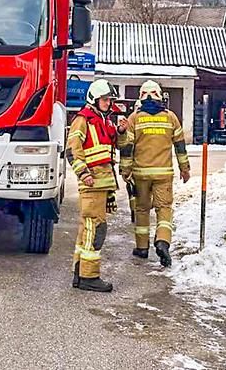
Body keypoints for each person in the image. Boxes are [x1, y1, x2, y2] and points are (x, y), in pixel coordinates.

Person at [119, 80, 190, 268]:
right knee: (164, 208)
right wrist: (185, 169)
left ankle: (142, 248)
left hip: (140, 174)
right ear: (160, 95)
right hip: (164, 174)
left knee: (142, 209)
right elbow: (180, 146)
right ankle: (162, 241)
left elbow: (127, 147)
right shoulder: (171, 118)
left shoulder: (134, 118)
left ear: (141, 97)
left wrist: (125, 171)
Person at [66, 79, 120, 293]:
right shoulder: (83, 120)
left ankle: (80, 273)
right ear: (94, 99)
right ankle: (89, 276)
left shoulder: (101, 121)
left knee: (86, 229)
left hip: (101, 184)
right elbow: (73, 149)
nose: (109, 103)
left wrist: (121, 131)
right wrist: (83, 173)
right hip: (92, 183)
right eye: (105, 99)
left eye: (109, 100)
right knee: (95, 228)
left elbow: (108, 147)